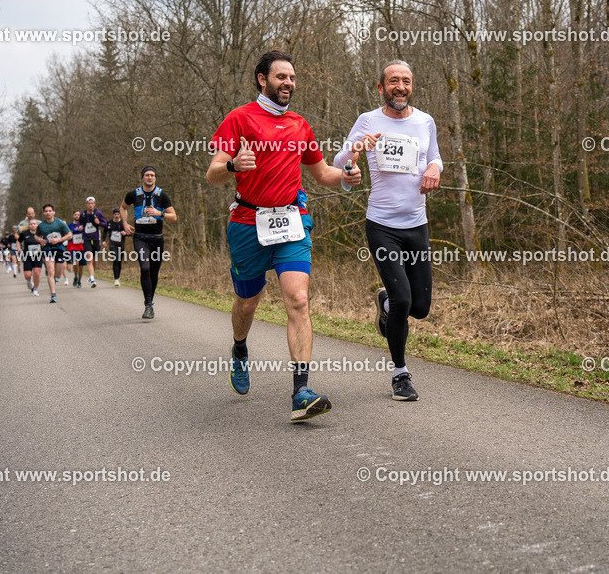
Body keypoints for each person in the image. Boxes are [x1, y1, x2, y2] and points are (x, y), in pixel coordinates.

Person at [206, 50, 365, 422]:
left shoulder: (299, 124)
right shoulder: (239, 119)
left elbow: (322, 173)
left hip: (292, 221)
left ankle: (301, 391)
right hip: (248, 223)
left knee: (298, 299)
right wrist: (231, 165)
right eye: (281, 77)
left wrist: (344, 178)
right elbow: (212, 173)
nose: (288, 83)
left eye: (292, 78)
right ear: (263, 79)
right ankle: (240, 349)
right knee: (248, 303)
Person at [333, 60, 441, 401]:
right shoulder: (368, 120)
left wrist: (435, 169)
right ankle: (400, 374)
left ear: (411, 87)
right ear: (381, 87)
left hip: (417, 224)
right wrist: (356, 151)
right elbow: (339, 162)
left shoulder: (425, 121)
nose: (400, 86)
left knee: (420, 307)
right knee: (403, 299)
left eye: (406, 81)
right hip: (382, 225)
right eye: (393, 81)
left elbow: (435, 157)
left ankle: (385, 302)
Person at [121, 167, 176, 318]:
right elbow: (123, 207)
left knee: (154, 272)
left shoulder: (161, 195)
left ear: (155, 178)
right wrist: (125, 224)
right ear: (142, 177)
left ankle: (150, 302)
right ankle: (148, 305)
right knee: (144, 268)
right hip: (140, 237)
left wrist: (160, 213)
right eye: (147, 175)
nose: (150, 177)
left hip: (157, 238)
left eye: (152, 175)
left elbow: (174, 216)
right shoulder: (134, 194)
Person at [34, 204, 72, 304]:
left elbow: (69, 235)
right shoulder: (41, 225)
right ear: (43, 213)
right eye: (46, 211)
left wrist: (59, 239)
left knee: (58, 273)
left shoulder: (59, 223)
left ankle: (56, 279)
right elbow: (36, 236)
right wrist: (40, 240)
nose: (48, 213)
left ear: (53, 212)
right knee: (50, 271)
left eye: (50, 211)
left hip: (59, 248)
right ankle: (53, 295)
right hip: (48, 249)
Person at [79, 197, 108, 287]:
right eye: (88, 203)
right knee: (89, 258)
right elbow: (80, 223)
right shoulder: (83, 214)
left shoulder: (98, 213)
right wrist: (80, 227)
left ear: (94, 204)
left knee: (95, 259)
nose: (90, 205)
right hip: (86, 239)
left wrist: (99, 222)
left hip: (96, 239)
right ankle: (92, 279)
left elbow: (105, 224)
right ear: (86, 204)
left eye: (92, 203)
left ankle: (92, 275)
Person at [18, 220, 43, 295]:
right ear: (29, 225)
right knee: (27, 275)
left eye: (34, 224)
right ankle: (29, 281)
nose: (33, 225)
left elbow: (45, 241)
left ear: (37, 225)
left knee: (37, 273)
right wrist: (19, 248)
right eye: (31, 224)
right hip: (27, 256)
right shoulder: (25, 233)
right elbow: (18, 241)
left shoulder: (41, 233)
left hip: (38, 256)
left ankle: (35, 288)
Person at [104, 208, 128, 286]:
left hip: (121, 245)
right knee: (115, 259)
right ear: (113, 215)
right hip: (112, 244)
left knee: (119, 261)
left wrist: (125, 233)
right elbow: (105, 232)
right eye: (115, 214)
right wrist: (103, 240)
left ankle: (118, 277)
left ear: (120, 215)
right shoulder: (109, 223)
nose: (117, 216)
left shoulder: (123, 223)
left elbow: (130, 233)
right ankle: (116, 279)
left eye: (118, 214)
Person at [67, 210, 87, 287]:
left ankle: (79, 280)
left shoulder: (83, 224)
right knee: (76, 262)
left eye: (78, 215)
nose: (77, 216)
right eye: (75, 215)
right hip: (72, 245)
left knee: (81, 265)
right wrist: (72, 232)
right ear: (73, 216)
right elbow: (67, 233)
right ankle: (75, 275)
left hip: (81, 246)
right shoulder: (69, 225)